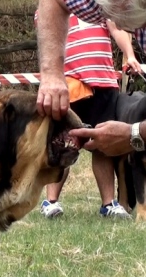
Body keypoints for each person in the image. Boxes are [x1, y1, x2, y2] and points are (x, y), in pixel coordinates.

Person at [35, 11, 141, 219]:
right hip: (68, 87)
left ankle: (108, 204)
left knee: (103, 145)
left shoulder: (100, 5)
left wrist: (129, 55)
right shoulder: (51, 9)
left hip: (103, 85)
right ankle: (51, 202)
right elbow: (47, 38)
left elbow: (117, 28)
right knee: (63, 145)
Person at [36, 0, 146, 157]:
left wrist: (133, 134)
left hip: (103, 82)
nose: (120, 27)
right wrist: (52, 74)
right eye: (111, 16)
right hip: (76, 83)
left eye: (122, 17)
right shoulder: (112, 2)